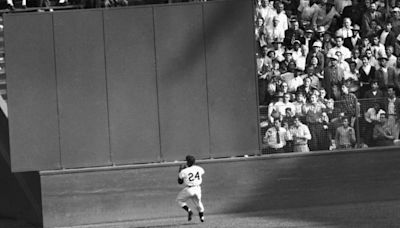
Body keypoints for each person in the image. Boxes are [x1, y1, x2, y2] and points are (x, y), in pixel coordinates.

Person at [176, 155, 205, 223]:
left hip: (189, 190)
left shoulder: (184, 171)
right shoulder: (199, 168)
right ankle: (202, 217)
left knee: (179, 200)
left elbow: (180, 182)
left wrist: (180, 172)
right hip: (198, 189)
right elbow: (200, 173)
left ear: (188, 162)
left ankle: (189, 211)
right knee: (198, 203)